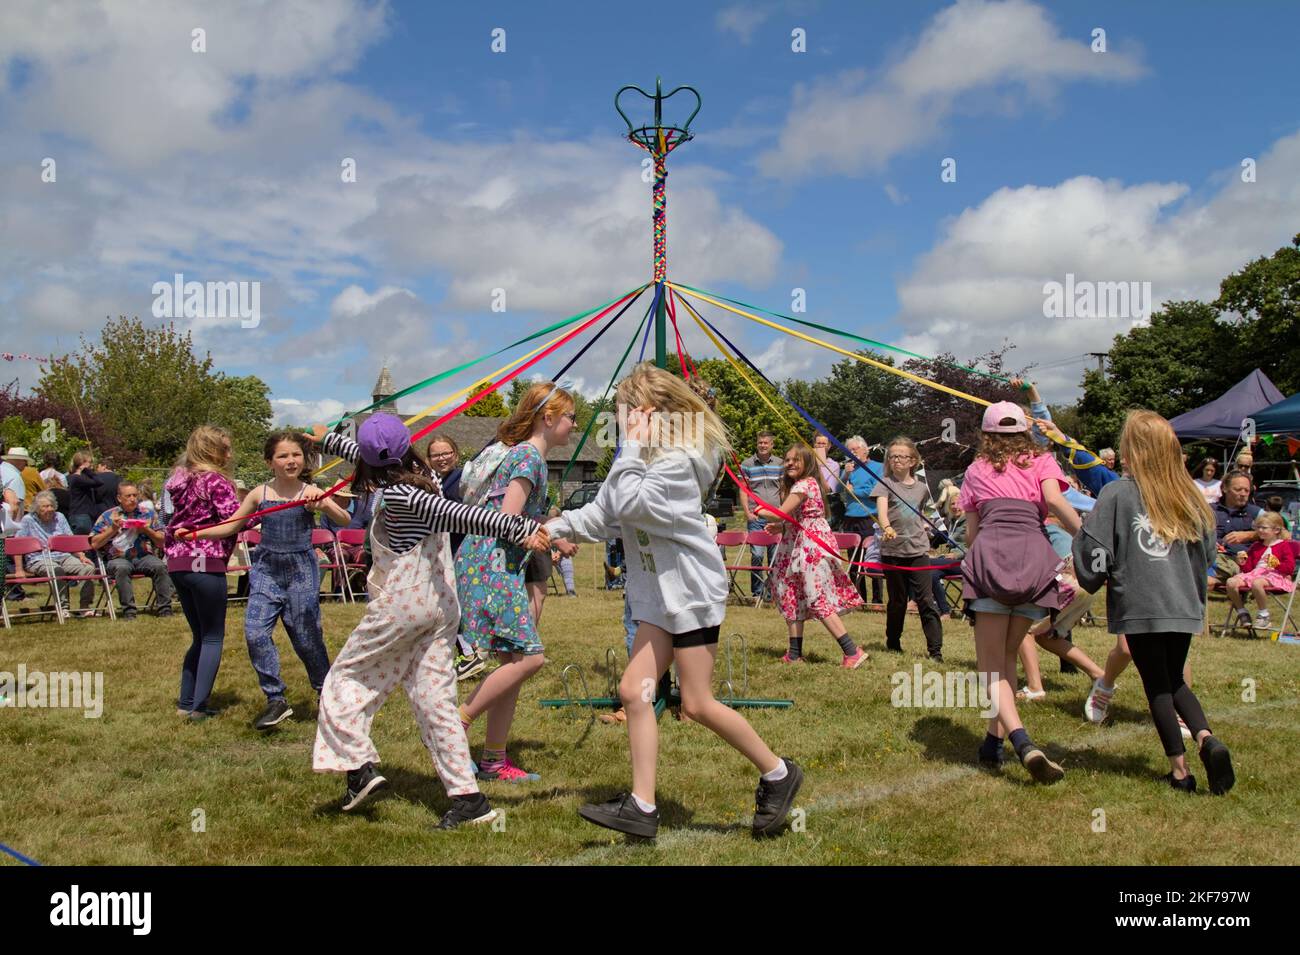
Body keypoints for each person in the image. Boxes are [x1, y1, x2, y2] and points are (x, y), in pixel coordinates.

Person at [549, 363, 802, 839]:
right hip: (657, 598)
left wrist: (631, 449)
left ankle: (779, 773)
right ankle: (642, 808)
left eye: (627, 414)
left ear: (649, 414)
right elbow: (604, 514)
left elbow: (630, 506)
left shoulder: (679, 461)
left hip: (689, 592)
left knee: (698, 702)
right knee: (634, 691)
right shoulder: (643, 459)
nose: (620, 423)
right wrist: (550, 528)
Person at [306, 416, 546, 827]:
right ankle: (469, 801)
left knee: (343, 681)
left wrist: (518, 525)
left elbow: (462, 515)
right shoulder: (422, 474)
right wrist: (326, 440)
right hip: (440, 609)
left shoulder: (402, 494)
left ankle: (358, 767)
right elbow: (365, 454)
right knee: (435, 700)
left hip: (403, 605)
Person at [1073, 410, 1234, 794]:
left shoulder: (1117, 493)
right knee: (1175, 679)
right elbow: (1208, 552)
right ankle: (1206, 738)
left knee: (1158, 687)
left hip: (1141, 603)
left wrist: (1091, 572)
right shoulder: (1191, 496)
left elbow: (1095, 550)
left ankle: (1180, 772)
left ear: (1134, 449)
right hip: (1182, 603)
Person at [185, 432, 348, 730]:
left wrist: (323, 504)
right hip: (266, 570)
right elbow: (229, 526)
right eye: (283, 456)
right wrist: (195, 533)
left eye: (296, 455)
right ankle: (276, 699)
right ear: (269, 461)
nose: (290, 461)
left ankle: (326, 692)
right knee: (255, 633)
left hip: (301, 570)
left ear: (305, 459)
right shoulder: (259, 493)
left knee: (306, 638)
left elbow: (344, 520)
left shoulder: (310, 491)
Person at [455, 382, 574, 783]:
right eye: (570, 418)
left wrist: (552, 536)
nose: (574, 425)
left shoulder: (529, 456)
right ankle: (456, 725)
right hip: (491, 564)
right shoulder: (528, 456)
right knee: (529, 658)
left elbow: (518, 517)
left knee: (512, 664)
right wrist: (538, 537)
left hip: (493, 561)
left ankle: (493, 759)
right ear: (548, 417)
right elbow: (507, 520)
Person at [958, 401, 1081, 782]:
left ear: (987, 433)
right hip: (1033, 558)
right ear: (1024, 431)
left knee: (990, 666)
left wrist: (972, 557)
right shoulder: (1042, 460)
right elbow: (1057, 502)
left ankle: (1022, 742)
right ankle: (993, 744)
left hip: (993, 557)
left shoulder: (976, 469)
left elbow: (972, 532)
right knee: (1008, 659)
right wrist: (1089, 541)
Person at [765, 443, 866, 667]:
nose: (790, 463)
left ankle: (852, 651)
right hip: (793, 545)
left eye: (796, 460)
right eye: (787, 459)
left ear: (807, 463)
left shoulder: (805, 484)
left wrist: (758, 511)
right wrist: (781, 527)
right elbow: (791, 517)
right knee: (789, 593)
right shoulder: (797, 486)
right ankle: (794, 653)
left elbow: (778, 513)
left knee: (815, 595)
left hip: (809, 547)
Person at [165, 426, 241, 721]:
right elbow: (235, 520)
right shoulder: (216, 481)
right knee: (212, 637)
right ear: (212, 451)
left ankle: (186, 702)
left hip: (178, 563)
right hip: (205, 562)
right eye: (226, 449)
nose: (230, 455)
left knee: (198, 636)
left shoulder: (177, 479)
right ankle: (198, 707)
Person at [872, 436, 944, 660]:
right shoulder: (884, 484)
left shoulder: (922, 488)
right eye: (892, 456)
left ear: (913, 460)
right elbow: (882, 512)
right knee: (897, 601)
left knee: (926, 600)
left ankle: (935, 651)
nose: (896, 461)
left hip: (918, 551)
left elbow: (921, 514)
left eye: (901, 456)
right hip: (892, 551)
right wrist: (886, 527)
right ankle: (893, 642)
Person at [89, 481, 173, 618]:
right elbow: (94, 544)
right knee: (122, 568)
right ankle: (129, 612)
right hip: (117, 557)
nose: (132, 499)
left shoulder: (148, 514)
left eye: (135, 495)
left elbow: (162, 541)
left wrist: (146, 529)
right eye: (128, 496)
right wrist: (113, 529)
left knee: (159, 566)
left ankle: (165, 609)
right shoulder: (108, 516)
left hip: (144, 556)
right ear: (119, 498)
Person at [18, 491, 97, 616]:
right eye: (45, 506)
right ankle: (63, 608)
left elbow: (70, 539)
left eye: (51, 506)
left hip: (63, 556)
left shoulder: (59, 517)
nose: (49, 509)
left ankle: (84, 607)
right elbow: (18, 545)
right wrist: (19, 569)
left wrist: (81, 555)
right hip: (38, 559)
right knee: (57, 570)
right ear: (37, 509)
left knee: (88, 567)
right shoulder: (28, 520)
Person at [1223, 512, 1298, 630]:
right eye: (1258, 527)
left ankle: (1264, 615)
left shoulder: (1284, 546)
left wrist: (1276, 564)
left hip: (1276, 575)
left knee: (1257, 583)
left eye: (1264, 528)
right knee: (1231, 582)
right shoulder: (1256, 546)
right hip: (1256, 574)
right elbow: (1249, 569)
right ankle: (1242, 612)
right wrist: (1242, 562)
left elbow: (1289, 569)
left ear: (1276, 530)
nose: (1260, 530)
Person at [839, 435, 883, 605]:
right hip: (851, 517)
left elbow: (875, 490)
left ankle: (877, 599)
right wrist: (845, 476)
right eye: (848, 450)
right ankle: (859, 597)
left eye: (854, 449)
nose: (851, 453)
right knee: (854, 559)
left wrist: (854, 491)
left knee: (873, 556)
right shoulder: (849, 469)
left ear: (865, 449)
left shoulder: (877, 468)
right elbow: (837, 489)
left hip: (870, 517)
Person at [740, 430, 782, 600]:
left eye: (766, 443)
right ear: (757, 444)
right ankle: (757, 593)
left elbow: (784, 489)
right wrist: (747, 512)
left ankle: (773, 593)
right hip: (756, 517)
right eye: (760, 442)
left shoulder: (780, 463)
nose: (763, 445)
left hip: (776, 517)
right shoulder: (747, 464)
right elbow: (743, 489)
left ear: (772, 445)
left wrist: (784, 513)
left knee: (775, 557)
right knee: (757, 555)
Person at [1211, 471, 1261, 582]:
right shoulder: (1209, 510)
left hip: (1239, 561)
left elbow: (1283, 533)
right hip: (1211, 556)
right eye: (1238, 489)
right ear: (1224, 489)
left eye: (1247, 490)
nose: (1243, 494)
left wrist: (1250, 535)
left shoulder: (1257, 513)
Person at [67, 452, 103, 535]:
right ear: (82, 463)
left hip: (82, 514)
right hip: (81, 514)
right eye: (89, 462)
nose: (91, 465)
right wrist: (88, 471)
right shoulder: (77, 478)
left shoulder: (76, 477)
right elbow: (99, 481)